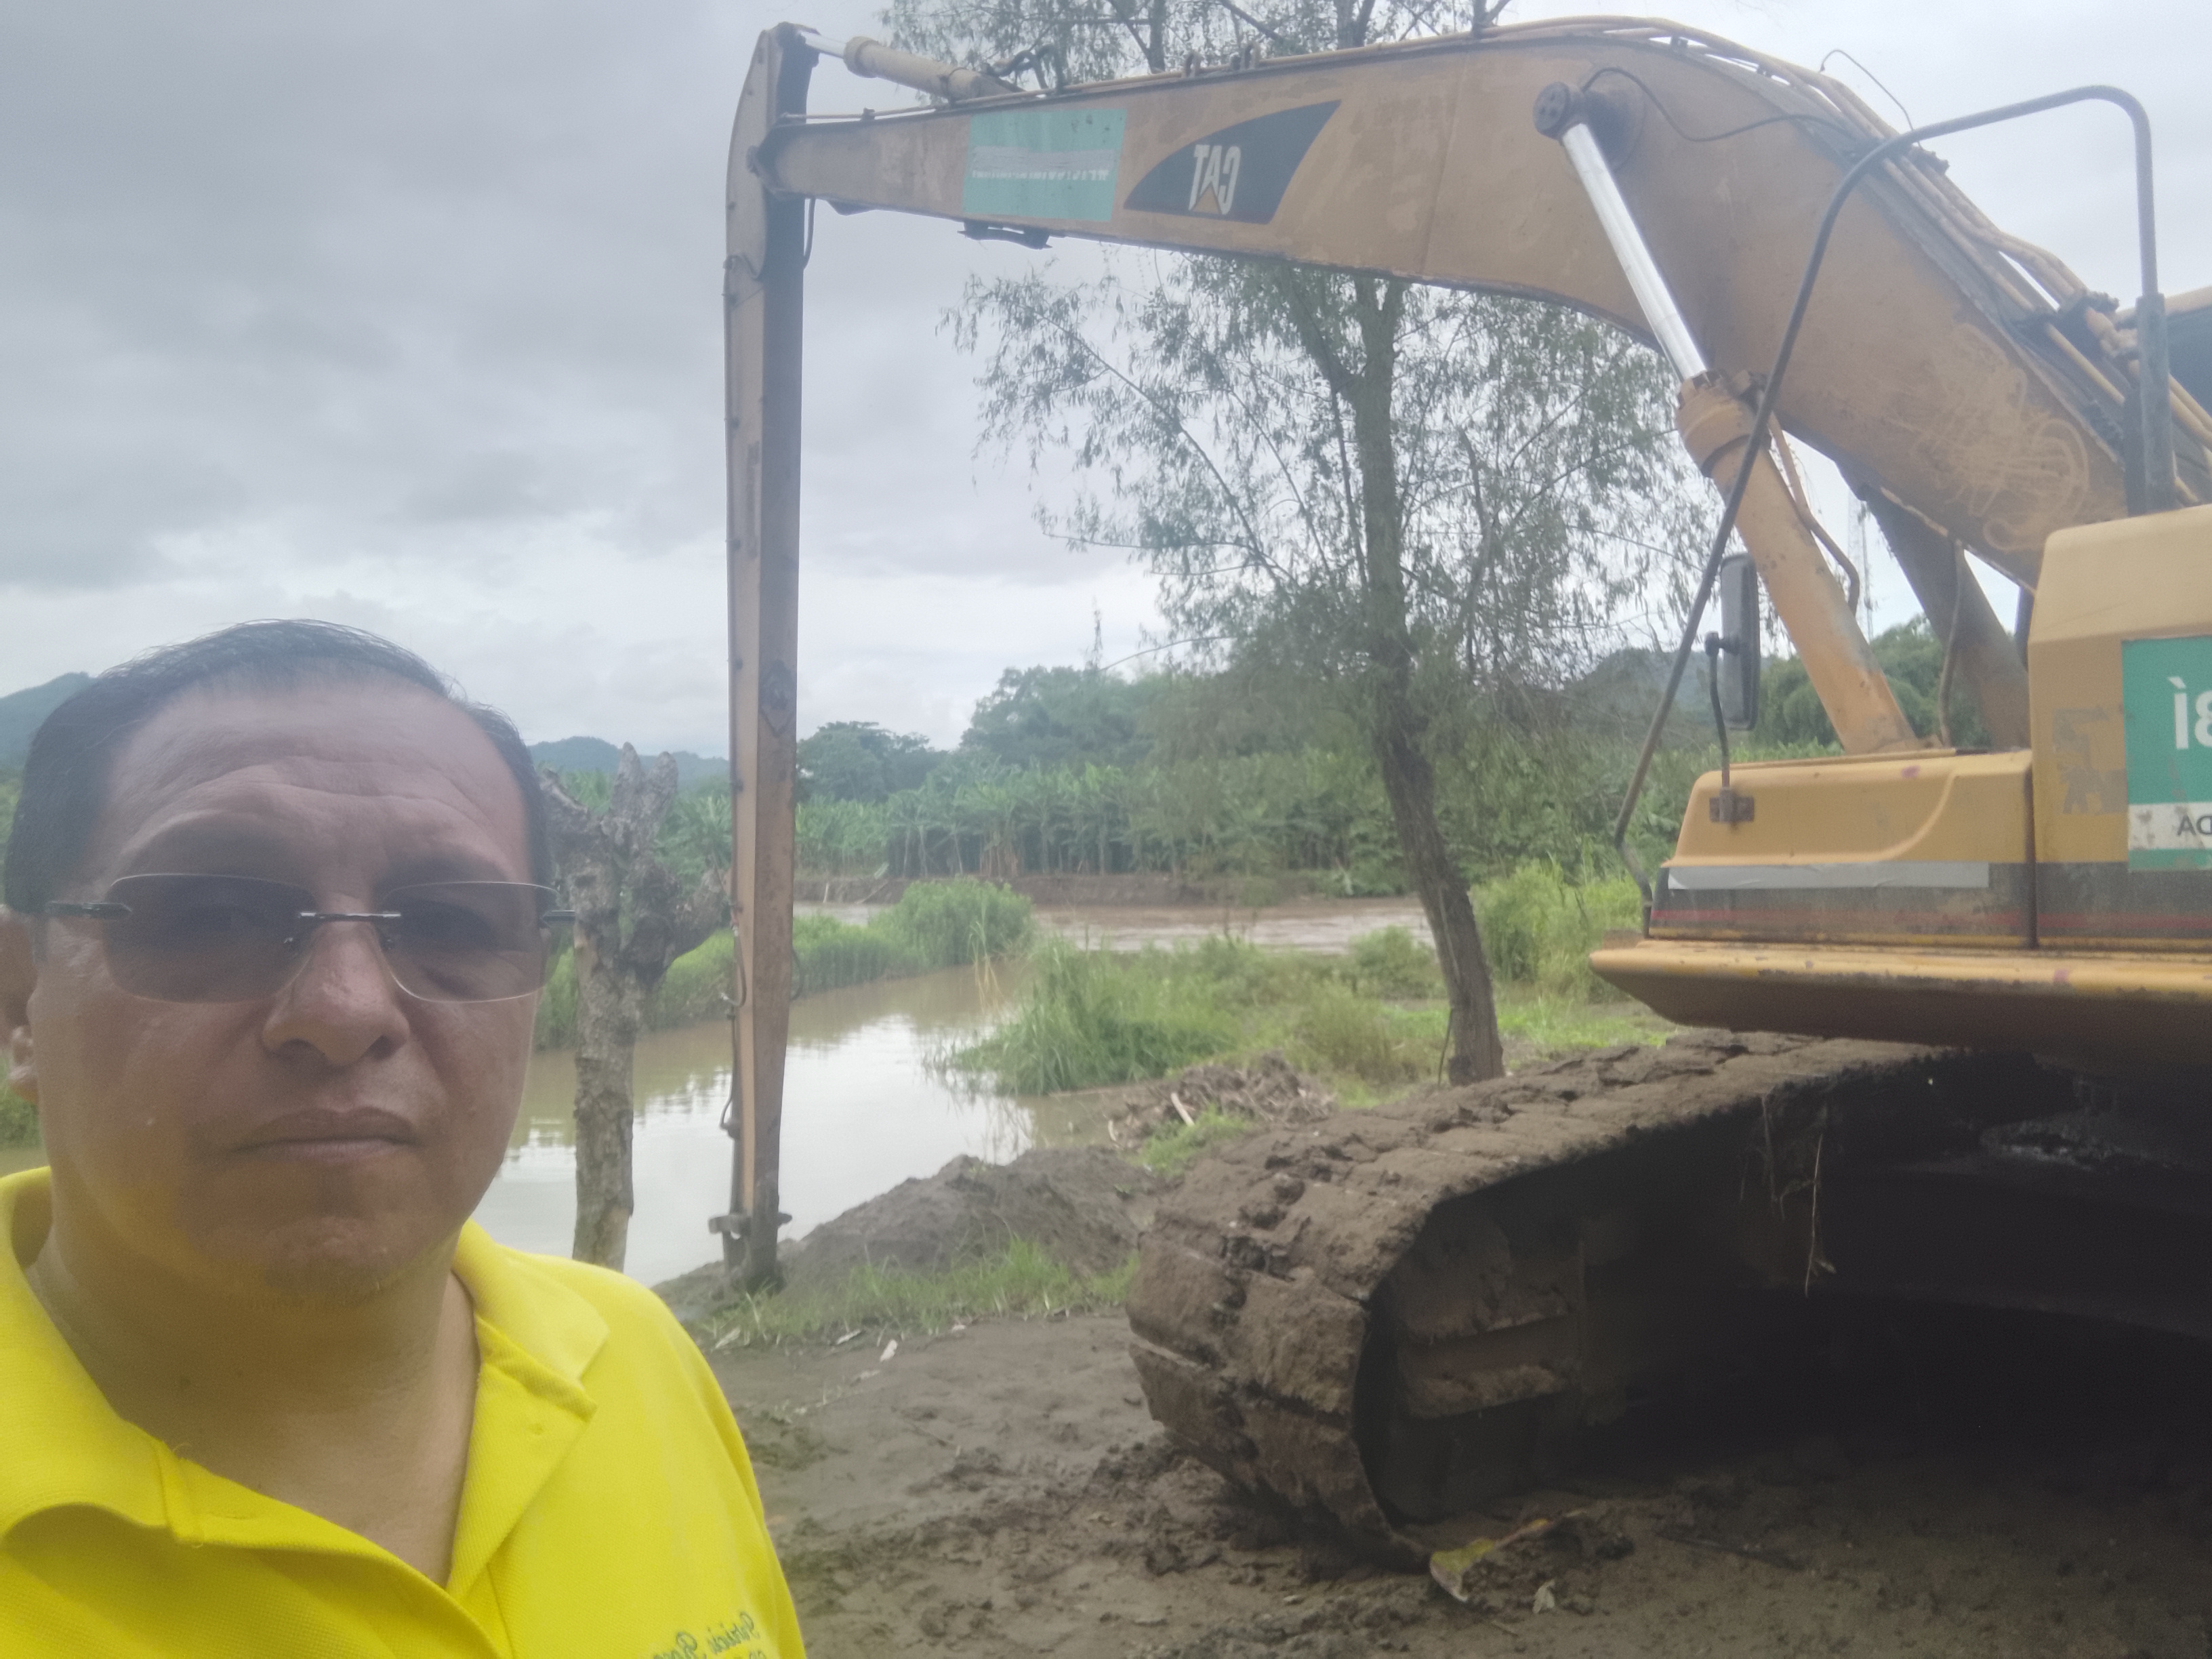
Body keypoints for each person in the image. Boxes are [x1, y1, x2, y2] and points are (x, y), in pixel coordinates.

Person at [0, 621, 804, 1656]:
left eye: (451, 923)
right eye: (213, 916)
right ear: (20, 1004)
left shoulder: (632, 1354)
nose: (346, 1010)